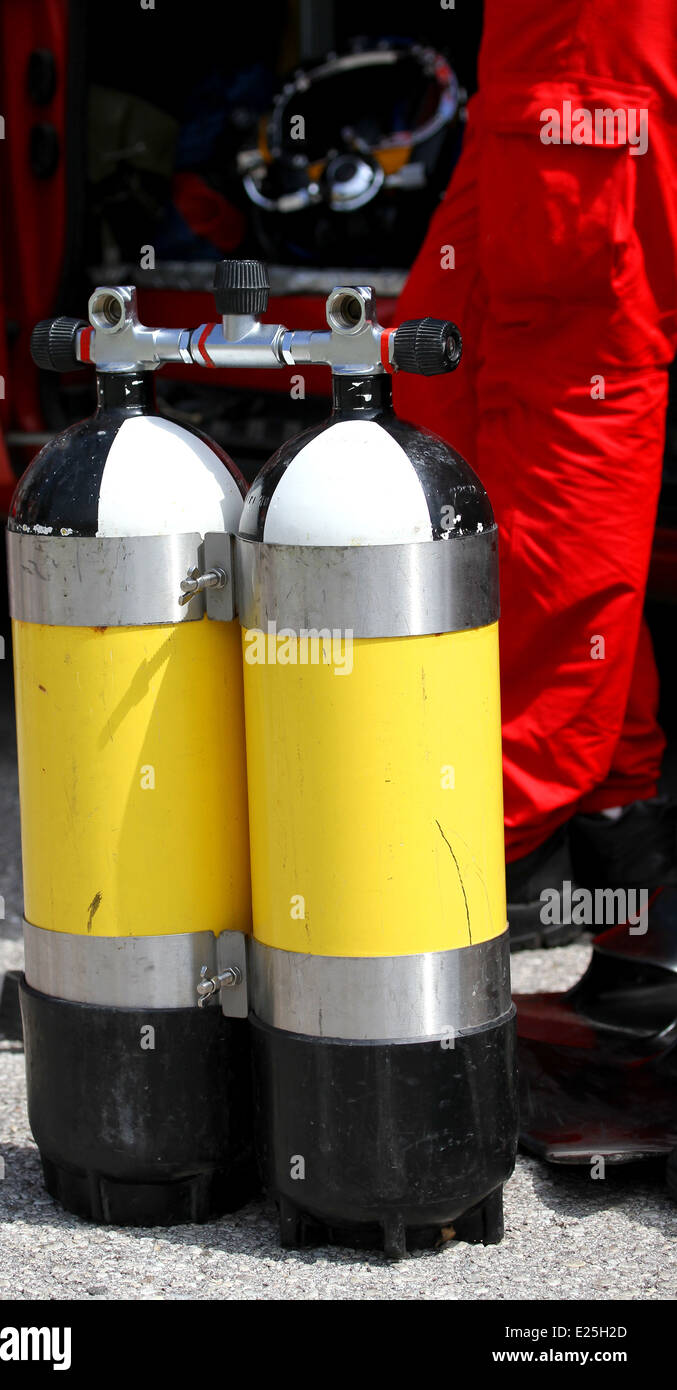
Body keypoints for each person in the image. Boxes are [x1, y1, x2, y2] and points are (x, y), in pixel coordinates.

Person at [394, 0, 677, 948]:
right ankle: (611, 807)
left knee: (568, 408)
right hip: (537, 67)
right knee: (442, 375)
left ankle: (506, 825)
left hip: (591, 60)